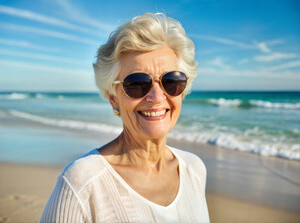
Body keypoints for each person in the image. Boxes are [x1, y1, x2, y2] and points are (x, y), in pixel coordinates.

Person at [41, 13, 210, 223]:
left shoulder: (194, 170)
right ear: (114, 100)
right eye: (137, 83)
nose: (157, 97)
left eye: (170, 81)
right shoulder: (82, 182)